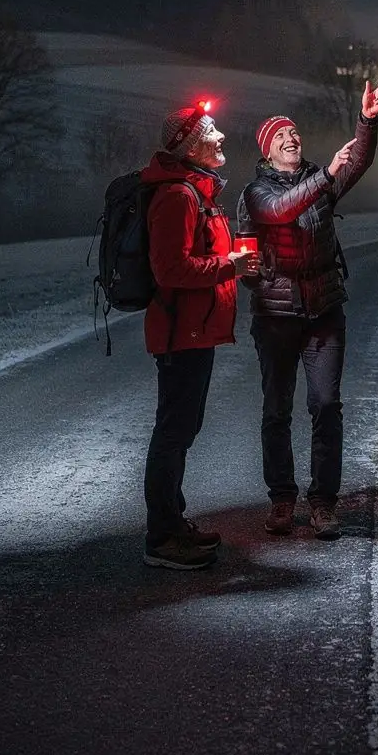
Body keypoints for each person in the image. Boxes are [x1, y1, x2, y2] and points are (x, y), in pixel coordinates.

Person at [237, 78, 378, 540]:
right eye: (281, 134)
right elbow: (283, 209)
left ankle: (324, 504)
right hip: (276, 315)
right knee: (276, 409)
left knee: (326, 406)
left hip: (323, 310)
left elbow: (357, 160)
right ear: (267, 151)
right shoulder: (255, 194)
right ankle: (282, 499)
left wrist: (366, 120)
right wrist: (324, 177)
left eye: (295, 131)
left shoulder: (321, 180)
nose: (291, 137)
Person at [140, 101, 258, 571]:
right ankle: (161, 538)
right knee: (173, 432)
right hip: (179, 333)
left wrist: (236, 262)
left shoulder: (195, 191)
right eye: (212, 131)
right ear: (191, 146)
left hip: (193, 330)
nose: (222, 137)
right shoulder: (178, 196)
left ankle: (174, 522)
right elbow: (169, 269)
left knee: (182, 430)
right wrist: (227, 265)